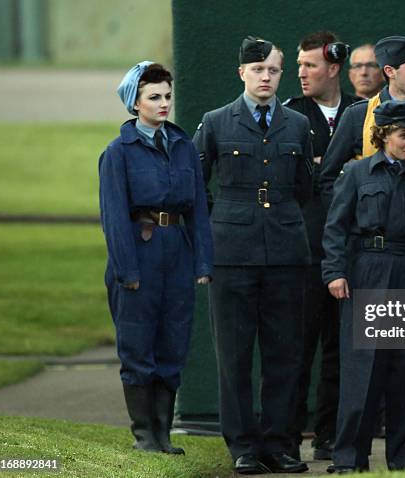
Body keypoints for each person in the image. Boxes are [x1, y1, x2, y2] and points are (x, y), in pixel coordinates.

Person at [193, 36, 313, 475]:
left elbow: (304, 188)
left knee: (285, 355)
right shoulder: (216, 122)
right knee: (235, 355)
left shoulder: (297, 125)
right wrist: (220, 222)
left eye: (273, 70)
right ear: (241, 72)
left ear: (282, 74)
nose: (265, 77)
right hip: (232, 255)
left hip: (284, 253)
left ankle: (278, 445)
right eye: (257, 69)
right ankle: (243, 445)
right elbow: (195, 183)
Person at [322, 100, 405, 472]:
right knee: (364, 369)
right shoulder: (358, 173)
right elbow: (336, 227)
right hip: (369, 271)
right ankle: (349, 459)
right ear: (382, 136)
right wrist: (335, 272)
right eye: (403, 135)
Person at [99, 61, 213, 454]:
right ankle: (144, 435)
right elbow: (113, 216)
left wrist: (202, 262)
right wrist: (126, 270)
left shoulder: (182, 145)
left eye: (167, 96)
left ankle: (164, 435)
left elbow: (198, 206)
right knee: (137, 345)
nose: (164, 104)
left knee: (173, 343)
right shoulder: (118, 153)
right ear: (135, 102)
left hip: (176, 252)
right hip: (137, 253)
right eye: (154, 97)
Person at [283, 30, 360, 461]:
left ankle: (329, 436)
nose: (302, 73)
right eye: (298, 65)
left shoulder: (361, 114)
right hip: (304, 250)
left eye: (310, 65)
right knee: (297, 349)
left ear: (333, 67)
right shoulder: (292, 115)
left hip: (349, 250)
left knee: (340, 350)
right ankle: (289, 437)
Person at [320, 35, 405, 208]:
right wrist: (351, 219)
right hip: (373, 229)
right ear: (389, 71)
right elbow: (327, 180)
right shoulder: (358, 116)